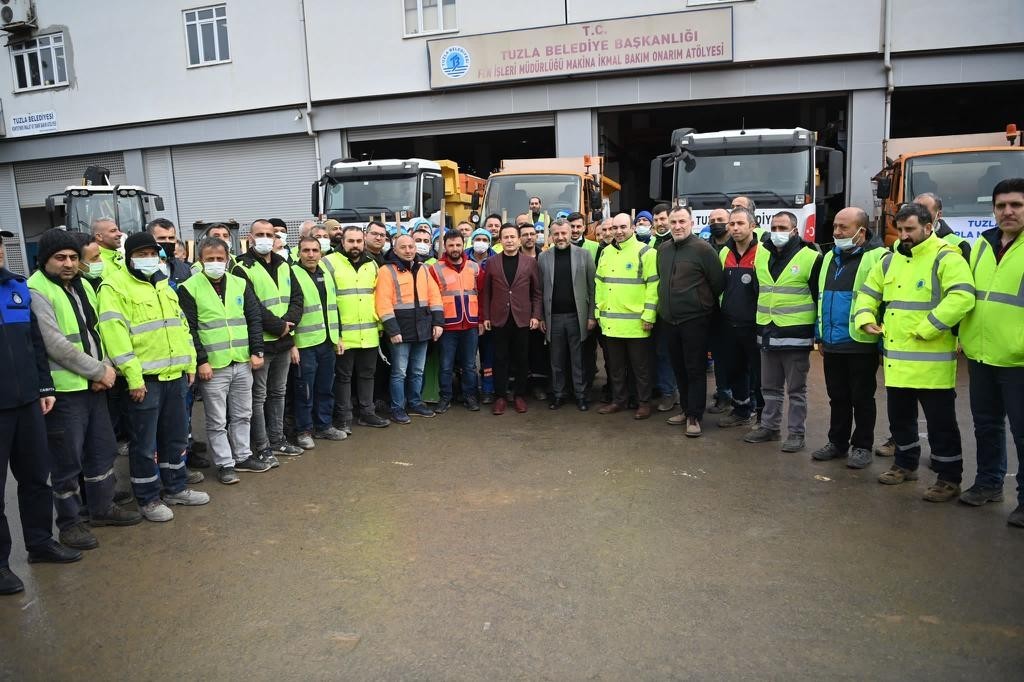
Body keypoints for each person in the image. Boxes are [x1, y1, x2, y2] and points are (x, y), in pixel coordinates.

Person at [28, 229, 142, 548]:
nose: (68, 263)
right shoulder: (36, 290)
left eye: (73, 257)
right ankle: (69, 523)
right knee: (66, 461)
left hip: (94, 385)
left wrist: (103, 369)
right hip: (65, 392)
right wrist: (98, 370)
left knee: (101, 450)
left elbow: (97, 332)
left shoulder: (81, 286)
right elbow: (55, 345)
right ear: (45, 260)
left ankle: (102, 507)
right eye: (60, 258)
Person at [854, 202, 975, 502]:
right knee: (900, 420)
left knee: (941, 426)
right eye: (900, 229)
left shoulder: (946, 256)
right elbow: (868, 293)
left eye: (910, 229)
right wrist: (865, 318)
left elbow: (962, 296)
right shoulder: (888, 260)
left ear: (928, 226)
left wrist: (929, 327)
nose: (904, 235)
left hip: (932, 362)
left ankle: (949, 479)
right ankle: (905, 465)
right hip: (896, 361)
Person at [97, 232, 209, 522]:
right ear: (129, 256)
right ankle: (148, 498)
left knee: (174, 438)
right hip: (145, 381)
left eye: (152, 253)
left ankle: (175, 487)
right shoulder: (114, 286)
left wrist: (190, 363)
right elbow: (115, 336)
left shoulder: (164, 284)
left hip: (175, 376)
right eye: (142, 253)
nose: (148, 258)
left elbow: (181, 327)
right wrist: (133, 378)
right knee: (145, 444)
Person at [1, 229, 82, 595]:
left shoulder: (16, 290)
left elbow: (36, 345)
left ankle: (39, 543)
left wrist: (44, 387)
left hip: (28, 404)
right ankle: (1, 565)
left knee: (36, 479)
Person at [958, 178, 1024, 524]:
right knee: (985, 425)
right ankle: (988, 483)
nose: (1008, 212)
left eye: (1016, 205)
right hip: (981, 354)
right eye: (1001, 206)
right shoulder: (983, 245)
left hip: (1018, 359)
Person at [179, 237, 270, 484]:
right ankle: (225, 463)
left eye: (220, 259)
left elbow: (253, 319)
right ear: (200, 260)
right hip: (214, 366)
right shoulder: (189, 287)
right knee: (217, 419)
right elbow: (190, 328)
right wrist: (201, 361)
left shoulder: (240, 284)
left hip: (241, 361)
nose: (216, 263)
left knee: (243, 413)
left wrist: (257, 350)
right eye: (210, 259)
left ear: (228, 259)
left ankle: (242, 456)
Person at [742, 212, 822, 451]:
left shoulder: (810, 257)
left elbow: (818, 296)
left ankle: (796, 433)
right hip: (767, 331)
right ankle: (770, 427)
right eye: (774, 227)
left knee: (796, 390)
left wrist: (817, 333)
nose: (778, 232)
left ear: (795, 230)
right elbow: (758, 289)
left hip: (796, 335)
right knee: (769, 387)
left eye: (783, 227)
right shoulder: (762, 254)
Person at [811, 207, 883, 469]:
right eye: (835, 227)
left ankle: (862, 446)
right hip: (832, 341)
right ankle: (837, 442)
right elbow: (821, 298)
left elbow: (885, 302)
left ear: (861, 231)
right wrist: (820, 334)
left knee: (862, 398)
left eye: (844, 228)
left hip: (861, 342)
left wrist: (882, 340)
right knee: (837, 397)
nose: (837, 232)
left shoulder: (879, 258)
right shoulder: (830, 256)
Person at [233, 219, 306, 460]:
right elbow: (251, 305)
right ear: (250, 238)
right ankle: (262, 445)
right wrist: (279, 326)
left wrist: (288, 323)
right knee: (259, 397)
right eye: (260, 234)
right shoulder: (241, 267)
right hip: (261, 343)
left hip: (283, 342)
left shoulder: (284, 264)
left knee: (279, 393)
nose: (266, 238)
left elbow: (297, 298)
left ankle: (278, 440)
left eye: (270, 234)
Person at [656, 206, 725, 436]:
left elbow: (717, 283)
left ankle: (695, 416)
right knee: (678, 367)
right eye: (673, 222)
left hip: (695, 320)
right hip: (669, 320)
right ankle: (685, 409)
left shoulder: (703, 250)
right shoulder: (663, 249)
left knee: (695, 368)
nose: (677, 226)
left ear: (691, 223)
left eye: (682, 221)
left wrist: (701, 306)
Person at [595, 213, 659, 419]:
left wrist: (649, 315)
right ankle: (619, 400)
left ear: (632, 227)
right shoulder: (606, 253)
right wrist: (599, 311)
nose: (619, 231)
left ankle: (644, 403)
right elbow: (600, 285)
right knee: (615, 368)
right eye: (615, 228)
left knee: (640, 369)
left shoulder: (646, 252)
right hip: (611, 322)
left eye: (623, 227)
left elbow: (653, 286)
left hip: (637, 324)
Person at [375, 234, 443, 424]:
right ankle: (397, 407)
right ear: (395, 250)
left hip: (422, 329)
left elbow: (434, 297)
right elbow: (383, 302)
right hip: (400, 331)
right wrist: (392, 330)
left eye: (411, 247)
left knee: (418, 371)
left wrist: (438, 322)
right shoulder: (386, 271)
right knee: (399, 372)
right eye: (403, 247)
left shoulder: (423, 269)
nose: (408, 250)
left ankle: (415, 402)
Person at [327, 226, 389, 431]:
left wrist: (380, 326)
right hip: (343, 335)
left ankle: (367, 413)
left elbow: (377, 298)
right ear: (342, 242)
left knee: (367, 375)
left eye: (358, 241)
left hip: (369, 333)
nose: (355, 245)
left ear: (363, 242)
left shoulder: (372, 265)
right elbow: (328, 302)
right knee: (343, 377)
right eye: (351, 241)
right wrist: (335, 335)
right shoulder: (328, 263)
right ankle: (344, 417)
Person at [480, 224, 542, 415]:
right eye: (505, 237)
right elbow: (486, 292)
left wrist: (536, 315)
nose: (509, 241)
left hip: (522, 318)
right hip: (499, 318)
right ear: (500, 240)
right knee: (500, 358)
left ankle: (519, 395)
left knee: (522, 358)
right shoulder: (492, 262)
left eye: (512, 237)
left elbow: (537, 292)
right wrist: (486, 316)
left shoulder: (530, 263)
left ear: (518, 239)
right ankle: (500, 396)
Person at [291, 236, 347, 448]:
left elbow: (333, 307)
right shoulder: (292, 274)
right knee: (305, 390)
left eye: (315, 250)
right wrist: (291, 343)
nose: (311, 254)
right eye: (306, 250)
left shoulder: (325, 274)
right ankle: (304, 430)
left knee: (325, 387)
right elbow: (289, 312)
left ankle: (324, 426)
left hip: (327, 341)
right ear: (299, 253)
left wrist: (338, 336)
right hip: (305, 344)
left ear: (321, 253)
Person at [538, 218, 596, 411]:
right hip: (553, 318)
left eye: (564, 233)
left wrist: (590, 316)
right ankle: (558, 394)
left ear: (571, 233)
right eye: (556, 233)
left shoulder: (584, 255)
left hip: (576, 317)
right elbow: (539, 290)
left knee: (578, 359)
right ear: (551, 235)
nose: (560, 237)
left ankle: (580, 395)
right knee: (556, 360)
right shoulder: (543, 257)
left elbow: (592, 288)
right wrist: (541, 318)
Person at [716, 208, 763, 429]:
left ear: (752, 226)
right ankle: (741, 409)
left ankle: (763, 416)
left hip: (755, 325)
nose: (735, 228)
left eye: (740, 223)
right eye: (732, 224)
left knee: (760, 373)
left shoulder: (763, 253)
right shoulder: (724, 253)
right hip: (729, 323)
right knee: (734, 369)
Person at [430, 230, 481, 413]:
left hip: (470, 324)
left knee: (469, 365)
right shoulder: (435, 269)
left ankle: (470, 396)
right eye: (451, 245)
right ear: (444, 246)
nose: (455, 248)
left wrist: (481, 321)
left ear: (463, 245)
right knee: (446, 365)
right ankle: (445, 397)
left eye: (458, 245)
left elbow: (481, 295)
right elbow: (432, 299)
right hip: (447, 326)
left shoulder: (474, 267)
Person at [705, 207, 734, 414]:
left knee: (740, 359)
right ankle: (724, 394)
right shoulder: (706, 246)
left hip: (736, 311)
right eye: (713, 220)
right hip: (712, 311)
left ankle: (742, 397)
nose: (717, 223)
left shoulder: (738, 246)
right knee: (720, 357)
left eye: (721, 219)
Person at [914, 192, 971, 261]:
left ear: (938, 215)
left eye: (924, 211)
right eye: (913, 210)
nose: (918, 215)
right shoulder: (901, 242)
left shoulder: (960, 245)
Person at [148, 218, 192, 285]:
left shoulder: (185, 268)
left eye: (171, 238)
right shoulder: (143, 267)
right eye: (162, 238)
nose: (167, 241)